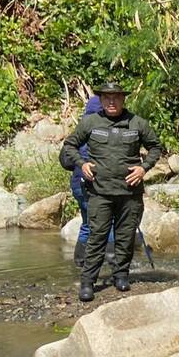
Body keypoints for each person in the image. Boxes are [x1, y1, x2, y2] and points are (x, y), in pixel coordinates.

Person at [59, 82, 161, 302]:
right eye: (106, 98)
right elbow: (70, 145)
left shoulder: (137, 123)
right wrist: (82, 164)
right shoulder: (90, 122)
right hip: (99, 192)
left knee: (125, 237)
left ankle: (121, 276)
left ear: (123, 99)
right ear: (101, 100)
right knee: (97, 237)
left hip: (129, 193)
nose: (111, 102)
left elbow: (155, 147)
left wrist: (144, 168)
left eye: (116, 97)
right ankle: (88, 282)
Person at [69, 94, 103, 267]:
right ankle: (112, 263)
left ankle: (80, 261)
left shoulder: (80, 128)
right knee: (108, 222)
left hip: (77, 183)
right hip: (91, 184)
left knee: (87, 223)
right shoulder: (99, 129)